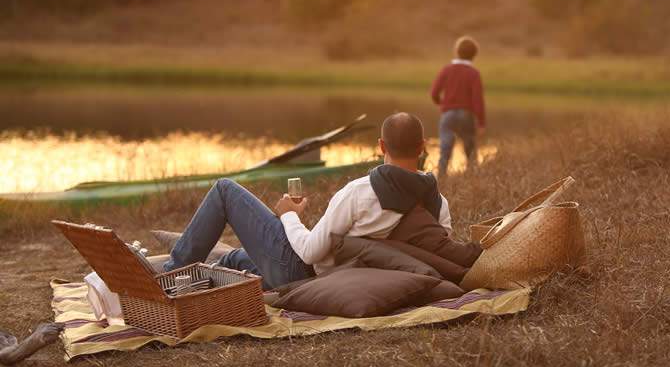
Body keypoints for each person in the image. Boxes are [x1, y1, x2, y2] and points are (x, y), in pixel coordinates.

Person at [162, 113, 452, 289]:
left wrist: (290, 215)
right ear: (422, 147)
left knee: (225, 190)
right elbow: (434, 251)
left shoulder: (360, 193)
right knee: (235, 259)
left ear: (381, 146)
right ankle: (203, 272)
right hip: (344, 274)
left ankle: (168, 275)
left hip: (301, 274)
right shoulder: (438, 203)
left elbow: (310, 254)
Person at [430, 36, 486, 177]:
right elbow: (477, 100)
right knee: (470, 151)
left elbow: (434, 92)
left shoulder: (447, 70)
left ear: (456, 51)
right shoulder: (474, 73)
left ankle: (441, 181)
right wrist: (481, 123)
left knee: (445, 151)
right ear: (474, 55)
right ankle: (473, 179)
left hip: (448, 115)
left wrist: (442, 104)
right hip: (466, 115)